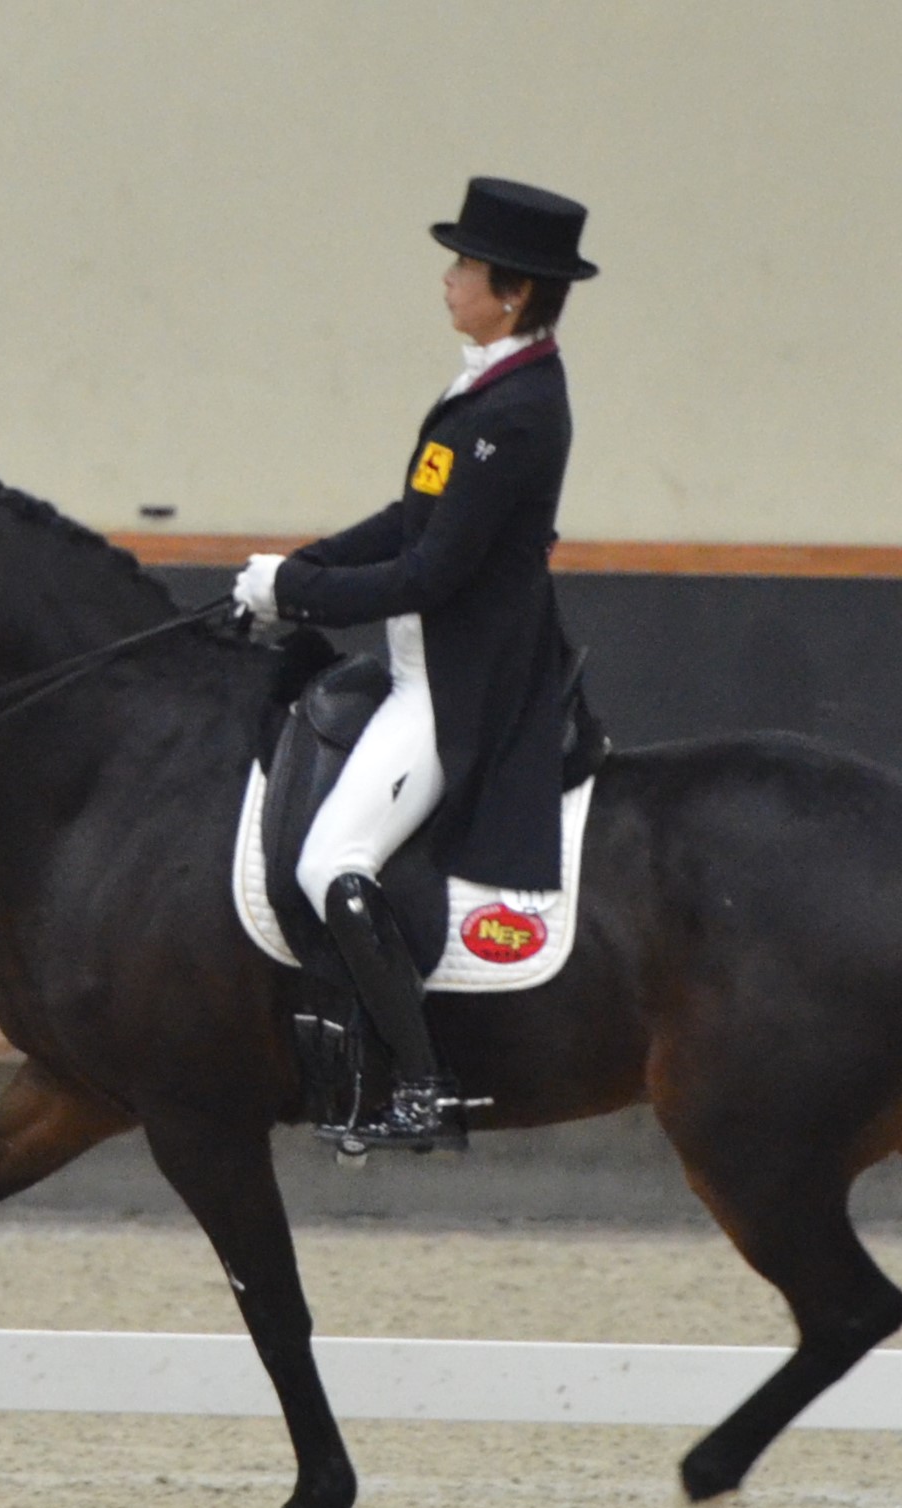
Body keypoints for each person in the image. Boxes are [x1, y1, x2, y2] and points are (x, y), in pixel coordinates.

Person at [233, 176, 598, 1151]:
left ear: (511, 291)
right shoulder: (483, 381)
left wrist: (297, 596)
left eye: (464, 268)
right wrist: (306, 561)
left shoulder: (515, 410)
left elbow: (434, 571)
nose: (447, 281)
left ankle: (423, 1082)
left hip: (460, 690)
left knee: (330, 864)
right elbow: (410, 519)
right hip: (417, 668)